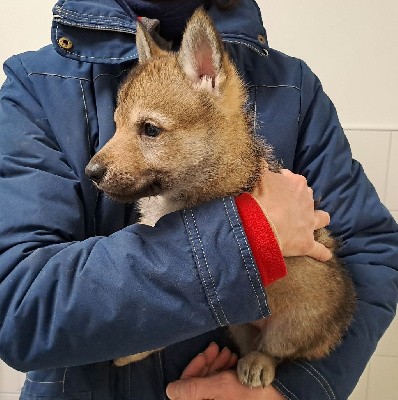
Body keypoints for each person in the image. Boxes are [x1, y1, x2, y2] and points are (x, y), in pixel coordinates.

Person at [0, 0, 396, 399]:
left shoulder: (293, 86)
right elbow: (19, 306)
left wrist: (292, 391)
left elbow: (374, 253)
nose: (98, 162)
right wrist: (252, 234)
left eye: (150, 130)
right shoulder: (35, 83)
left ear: (209, 71)